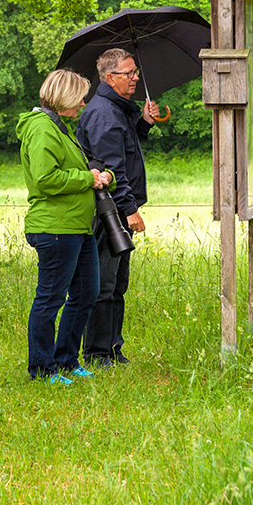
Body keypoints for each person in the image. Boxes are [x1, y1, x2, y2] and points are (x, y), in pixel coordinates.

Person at [16, 69, 114, 385]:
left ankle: (66, 360)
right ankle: (42, 370)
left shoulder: (59, 128)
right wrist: (88, 179)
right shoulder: (42, 130)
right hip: (56, 227)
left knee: (87, 292)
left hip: (77, 225)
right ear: (64, 97)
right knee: (50, 298)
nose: (84, 103)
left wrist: (99, 173)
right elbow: (45, 179)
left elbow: (72, 168)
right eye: (80, 97)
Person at [77, 48, 159, 367]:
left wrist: (144, 124)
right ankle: (97, 353)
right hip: (107, 212)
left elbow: (123, 148)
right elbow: (112, 169)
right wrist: (129, 208)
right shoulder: (103, 114)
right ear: (110, 78)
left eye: (135, 72)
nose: (136, 77)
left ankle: (112, 347)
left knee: (117, 284)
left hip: (116, 209)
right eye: (129, 73)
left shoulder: (118, 110)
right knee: (103, 284)